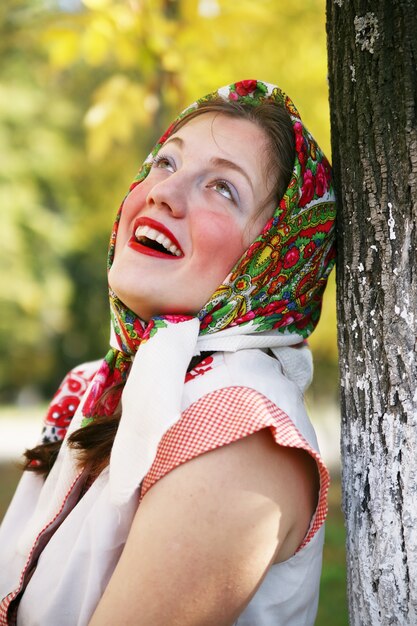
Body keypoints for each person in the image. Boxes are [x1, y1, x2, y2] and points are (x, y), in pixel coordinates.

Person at [0, 79, 336, 625]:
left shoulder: (243, 435)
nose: (162, 192)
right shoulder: (112, 382)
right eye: (165, 163)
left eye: (224, 188)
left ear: (273, 261)